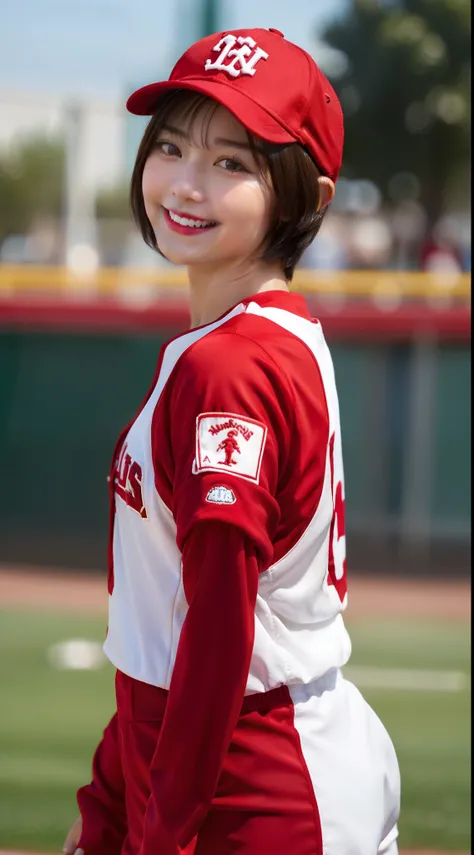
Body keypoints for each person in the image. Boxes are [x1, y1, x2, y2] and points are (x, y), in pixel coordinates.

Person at [63, 27, 400, 855]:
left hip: (261, 789)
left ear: (307, 197)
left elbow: (217, 629)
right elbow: (165, 620)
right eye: (171, 145)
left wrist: (162, 831)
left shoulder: (231, 366)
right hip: (244, 770)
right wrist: (112, 796)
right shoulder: (248, 341)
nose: (185, 182)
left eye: (231, 163)